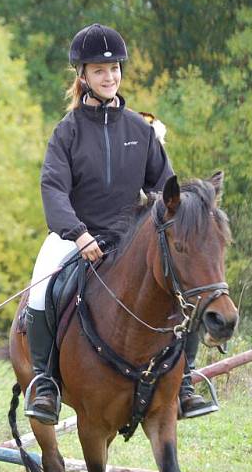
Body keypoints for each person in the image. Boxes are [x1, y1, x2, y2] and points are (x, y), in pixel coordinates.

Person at [24, 23, 213, 425]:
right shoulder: (67, 132)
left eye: (113, 69)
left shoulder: (140, 130)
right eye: (99, 70)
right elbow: (53, 188)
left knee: (184, 283)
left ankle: (187, 382)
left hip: (131, 239)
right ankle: (44, 382)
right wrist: (77, 233)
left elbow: (165, 188)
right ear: (83, 77)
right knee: (41, 289)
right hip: (77, 234)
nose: (109, 76)